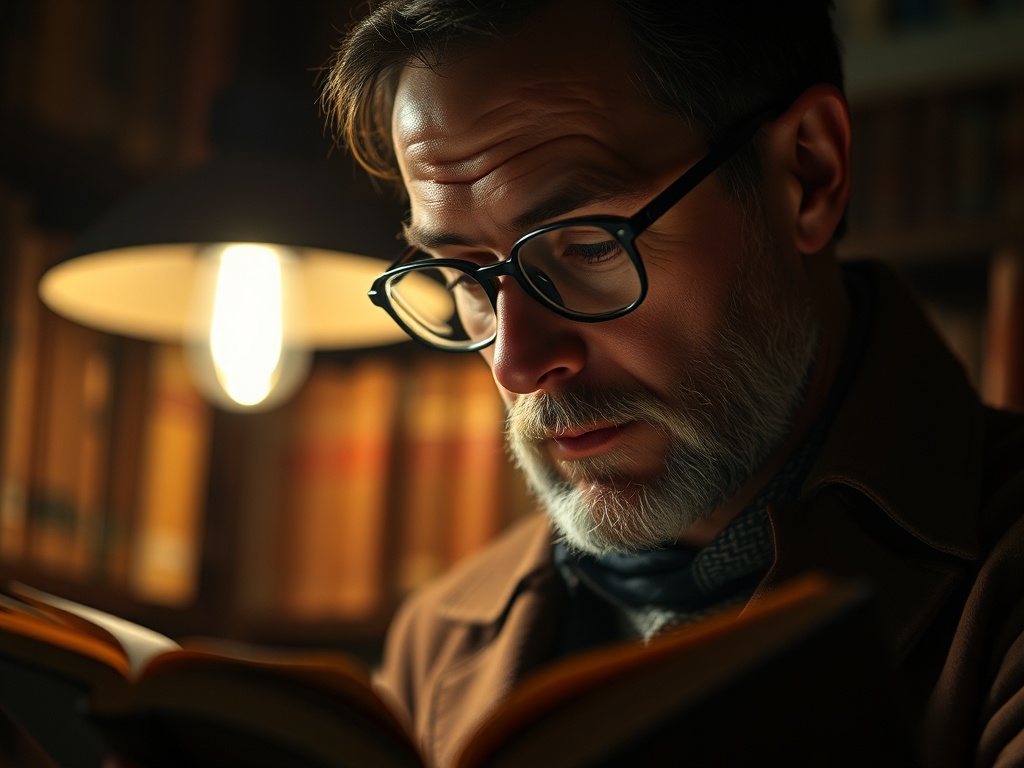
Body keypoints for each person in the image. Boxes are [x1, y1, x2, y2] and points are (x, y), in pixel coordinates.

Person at [323, 1, 1024, 766]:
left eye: (587, 245)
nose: (515, 363)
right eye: (462, 275)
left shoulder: (1004, 588)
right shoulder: (439, 640)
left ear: (808, 174)